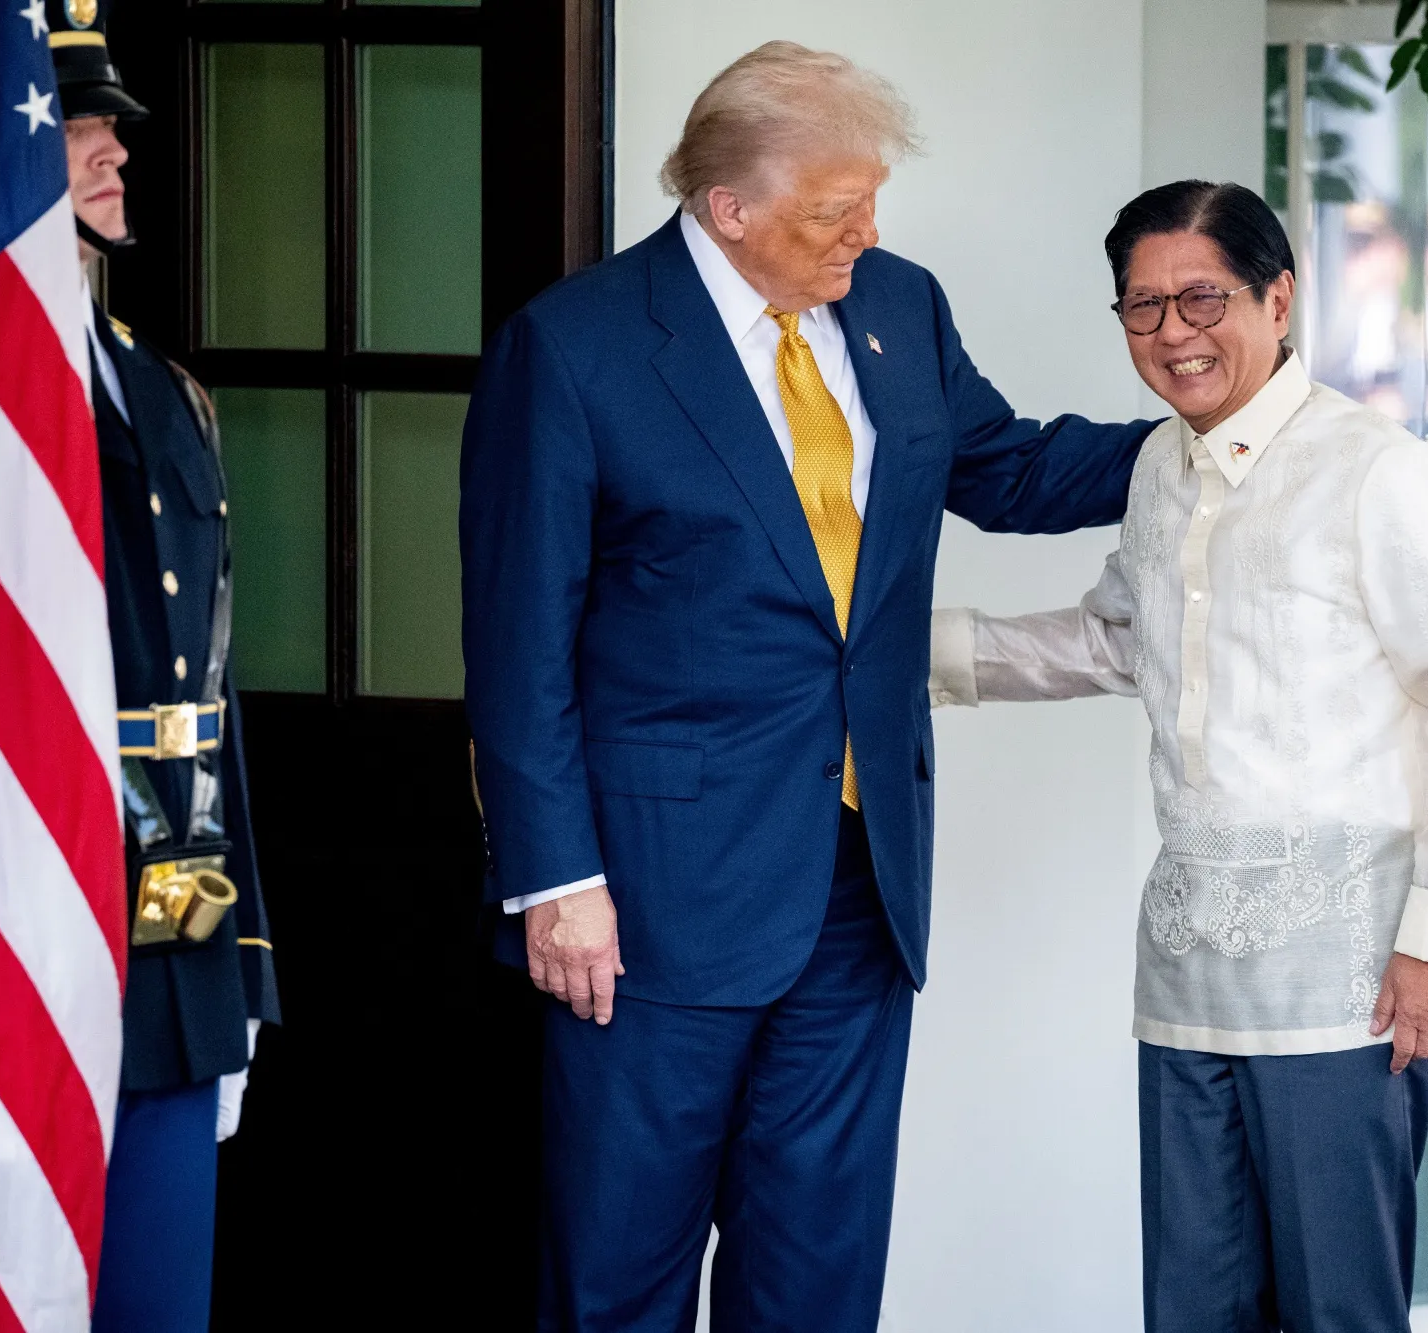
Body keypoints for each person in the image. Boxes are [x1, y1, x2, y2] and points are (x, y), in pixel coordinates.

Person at [459, 41, 1153, 1332]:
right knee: (620, 1278)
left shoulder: (897, 305)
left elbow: (1007, 470)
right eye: (838, 211)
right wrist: (558, 883)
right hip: (651, 905)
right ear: (730, 207)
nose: (868, 234)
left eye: (872, 202)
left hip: (858, 889)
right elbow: (516, 645)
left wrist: (1199, 441)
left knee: (819, 1280)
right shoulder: (575, 349)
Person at [928, 180, 1428, 1332]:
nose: (1172, 334)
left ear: (1278, 298)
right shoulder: (1159, 467)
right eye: (1141, 308)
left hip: (1347, 987)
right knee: (1193, 1311)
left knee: (1335, 1311)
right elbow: (1113, 638)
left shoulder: (1376, 469)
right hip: (1185, 976)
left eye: (1201, 297)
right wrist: (896, 659)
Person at [50, 4, 285, 1331]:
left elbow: (202, 710)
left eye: (109, 130)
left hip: (167, 920)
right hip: (9, 921)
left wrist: (230, 962)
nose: (114, 155)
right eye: (77, 130)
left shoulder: (167, 394)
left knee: (156, 1301)